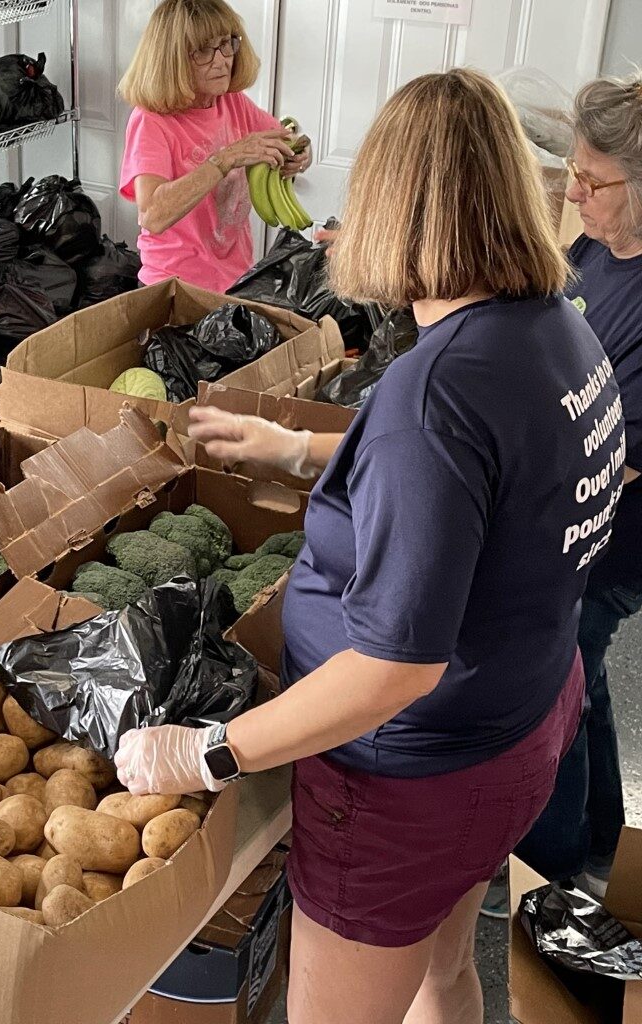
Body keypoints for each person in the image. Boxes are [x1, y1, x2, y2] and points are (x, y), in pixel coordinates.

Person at [115, 69, 621, 1024]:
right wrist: (300, 448)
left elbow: (394, 668)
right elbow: (486, 481)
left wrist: (211, 753)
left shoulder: (434, 393)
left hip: (411, 776)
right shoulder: (559, 329)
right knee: (444, 974)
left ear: (392, 211)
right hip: (524, 720)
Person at [513, 72, 642, 898]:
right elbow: (547, 313)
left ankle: (549, 870)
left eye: (594, 181)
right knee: (582, 676)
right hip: (571, 512)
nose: (575, 192)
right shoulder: (599, 245)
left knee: (556, 675)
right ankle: (600, 836)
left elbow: (615, 463)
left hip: (614, 534)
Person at [117, 0, 311, 293]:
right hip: (175, 287)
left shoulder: (232, 101)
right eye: (204, 51)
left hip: (237, 278)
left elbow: (283, 139)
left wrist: (299, 155)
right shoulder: (151, 120)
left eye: (226, 44)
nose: (221, 61)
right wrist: (226, 158)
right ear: (173, 58)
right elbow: (152, 216)